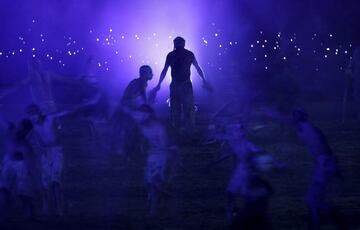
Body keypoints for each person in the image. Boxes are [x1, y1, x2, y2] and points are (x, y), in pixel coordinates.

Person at [266, 107, 346, 229]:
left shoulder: (305, 127)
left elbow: (287, 120)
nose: (293, 118)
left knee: (312, 199)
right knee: (312, 199)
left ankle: (327, 218)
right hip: (325, 164)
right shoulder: (305, 127)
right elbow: (326, 147)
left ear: (301, 117)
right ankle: (319, 221)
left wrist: (271, 113)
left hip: (324, 165)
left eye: (296, 115)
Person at [25, 94, 99, 217]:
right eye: (29, 114)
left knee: (56, 182)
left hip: (56, 151)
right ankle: (47, 207)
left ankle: (59, 208)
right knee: (46, 183)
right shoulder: (32, 125)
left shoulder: (49, 118)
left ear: (38, 112)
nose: (32, 116)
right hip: (45, 153)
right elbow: (28, 137)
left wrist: (90, 102)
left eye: (33, 113)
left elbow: (69, 111)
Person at [207, 121, 286, 229]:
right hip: (241, 168)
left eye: (236, 130)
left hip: (247, 170)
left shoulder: (247, 144)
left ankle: (246, 220)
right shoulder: (231, 139)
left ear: (242, 133)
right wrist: (212, 128)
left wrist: (278, 163)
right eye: (233, 130)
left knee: (246, 196)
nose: (233, 132)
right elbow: (217, 135)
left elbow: (262, 153)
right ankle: (233, 218)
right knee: (231, 194)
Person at [152, 37, 212, 132]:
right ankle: (187, 131)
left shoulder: (172, 55)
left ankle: (180, 131)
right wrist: (204, 80)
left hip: (180, 85)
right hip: (183, 85)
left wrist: (159, 84)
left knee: (177, 109)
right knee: (185, 109)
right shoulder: (188, 54)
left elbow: (164, 70)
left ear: (175, 44)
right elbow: (198, 68)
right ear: (183, 44)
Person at [132, 104, 173, 216]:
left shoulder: (158, 128)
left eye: (143, 114)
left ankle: (153, 210)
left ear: (149, 115)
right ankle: (160, 198)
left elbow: (164, 146)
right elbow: (141, 141)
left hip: (160, 156)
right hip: (152, 156)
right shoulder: (142, 126)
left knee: (153, 183)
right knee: (149, 183)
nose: (139, 116)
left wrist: (165, 161)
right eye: (139, 114)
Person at [0, 119, 35, 220]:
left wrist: (29, 167)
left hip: (20, 163)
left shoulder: (25, 143)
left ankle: (29, 211)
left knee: (23, 189)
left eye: (24, 130)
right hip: (9, 160)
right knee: (4, 187)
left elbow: (29, 154)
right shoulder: (12, 129)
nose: (22, 130)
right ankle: (7, 209)